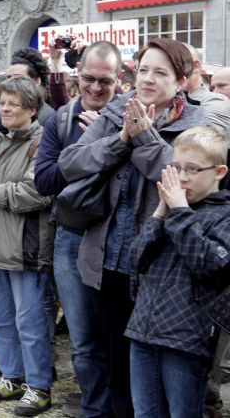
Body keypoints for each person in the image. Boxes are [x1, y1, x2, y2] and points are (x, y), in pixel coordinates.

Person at [59, 37, 209, 418]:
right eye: (143, 70)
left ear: (180, 81)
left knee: (158, 376)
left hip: (160, 270)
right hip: (106, 260)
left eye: (160, 72)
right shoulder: (117, 112)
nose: (148, 79)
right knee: (117, 366)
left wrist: (143, 137)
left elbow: (185, 181)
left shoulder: (197, 124)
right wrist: (122, 138)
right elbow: (70, 163)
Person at [35, 41, 123, 417]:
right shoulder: (63, 119)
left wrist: (101, 145)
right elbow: (44, 180)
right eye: (89, 78)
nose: (96, 88)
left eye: (106, 81)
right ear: (78, 74)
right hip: (72, 236)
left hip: (119, 237)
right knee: (83, 340)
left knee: (118, 338)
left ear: (120, 78)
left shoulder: (134, 115)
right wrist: (88, 149)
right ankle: (95, 408)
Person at [124, 127, 229, 417]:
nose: (182, 177)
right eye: (176, 168)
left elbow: (209, 264)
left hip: (186, 340)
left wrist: (180, 211)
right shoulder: (170, 211)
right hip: (143, 332)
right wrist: (159, 214)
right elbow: (136, 260)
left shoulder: (224, 215)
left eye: (193, 169)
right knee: (145, 412)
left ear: (219, 172)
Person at [0, 76, 53, 415]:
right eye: (2, 102)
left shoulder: (42, 144)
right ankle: (11, 377)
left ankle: (39, 386)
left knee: (30, 324)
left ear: (31, 109)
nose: (4, 108)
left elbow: (37, 193)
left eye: (12, 104)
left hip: (24, 247)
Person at [183, 44, 230, 139]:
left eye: (221, 86)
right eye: (212, 88)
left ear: (195, 66)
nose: (215, 92)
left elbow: (199, 144)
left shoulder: (215, 103)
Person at [6, 48, 56, 124]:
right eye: (9, 77)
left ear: (36, 81)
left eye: (18, 78)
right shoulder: (3, 111)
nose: (11, 82)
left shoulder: (47, 117)